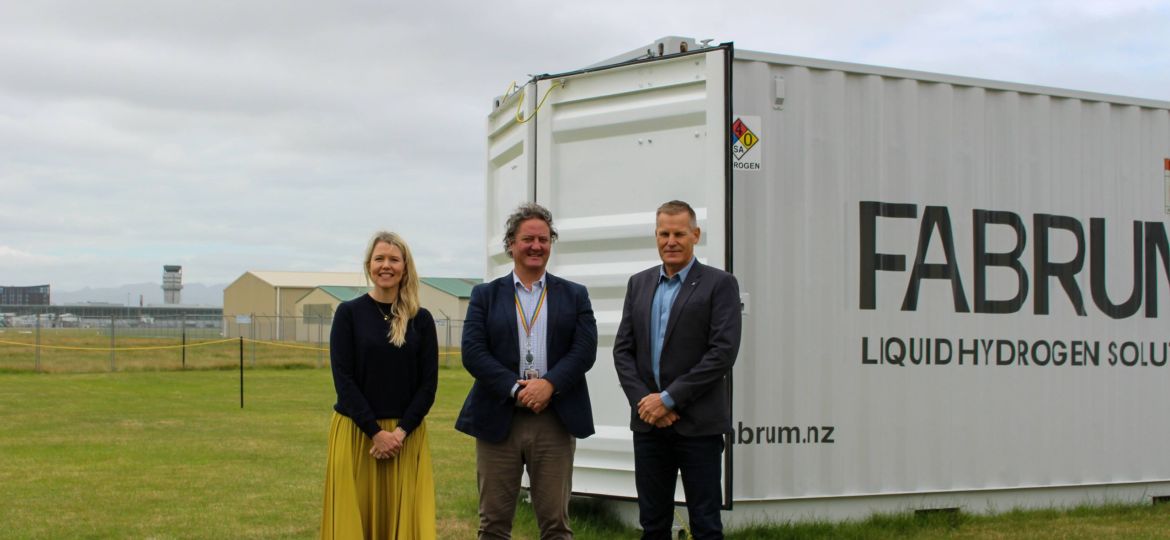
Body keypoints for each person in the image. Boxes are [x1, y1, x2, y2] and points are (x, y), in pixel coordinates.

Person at [456, 202, 598, 540]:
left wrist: (549, 385)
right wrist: (515, 389)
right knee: (493, 526)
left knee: (555, 526)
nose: (536, 246)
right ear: (511, 245)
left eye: (544, 239)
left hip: (555, 419)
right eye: (527, 239)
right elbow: (473, 353)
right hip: (498, 419)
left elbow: (584, 351)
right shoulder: (485, 296)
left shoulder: (575, 295)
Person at [612, 200, 742, 540]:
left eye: (679, 233)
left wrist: (669, 400)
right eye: (664, 233)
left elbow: (722, 353)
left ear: (695, 235)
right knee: (652, 523)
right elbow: (623, 351)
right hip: (649, 425)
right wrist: (647, 402)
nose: (671, 241)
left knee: (705, 524)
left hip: (699, 427)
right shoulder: (638, 284)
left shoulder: (719, 284)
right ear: (656, 235)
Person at [321, 231, 439, 539]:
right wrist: (376, 432)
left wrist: (398, 434)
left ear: (405, 267)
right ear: (369, 265)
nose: (386, 265)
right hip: (359, 435)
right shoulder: (348, 314)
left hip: (405, 437)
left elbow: (428, 386)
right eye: (379, 259)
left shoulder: (421, 319)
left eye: (394, 259)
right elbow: (343, 380)